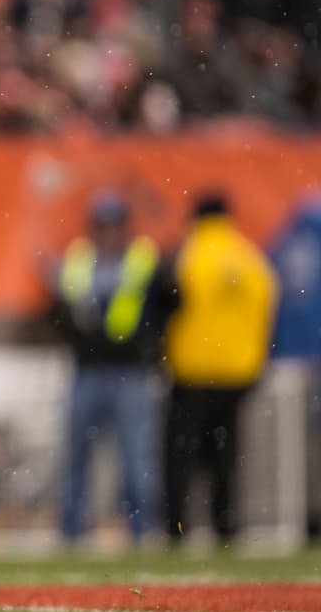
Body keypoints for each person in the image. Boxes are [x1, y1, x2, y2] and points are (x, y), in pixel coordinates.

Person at [48, 191, 172, 545]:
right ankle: (72, 530)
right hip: (88, 369)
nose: (109, 233)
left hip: (129, 370)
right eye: (104, 226)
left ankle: (142, 529)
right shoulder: (79, 262)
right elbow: (60, 308)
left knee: (136, 458)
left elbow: (166, 299)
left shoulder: (142, 260)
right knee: (77, 457)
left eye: (115, 225)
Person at [163, 191, 278, 544]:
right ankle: (225, 524)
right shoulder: (249, 258)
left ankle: (177, 528)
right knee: (226, 454)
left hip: (192, 373)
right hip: (238, 374)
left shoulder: (186, 255)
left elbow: (167, 302)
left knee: (181, 456)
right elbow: (268, 305)